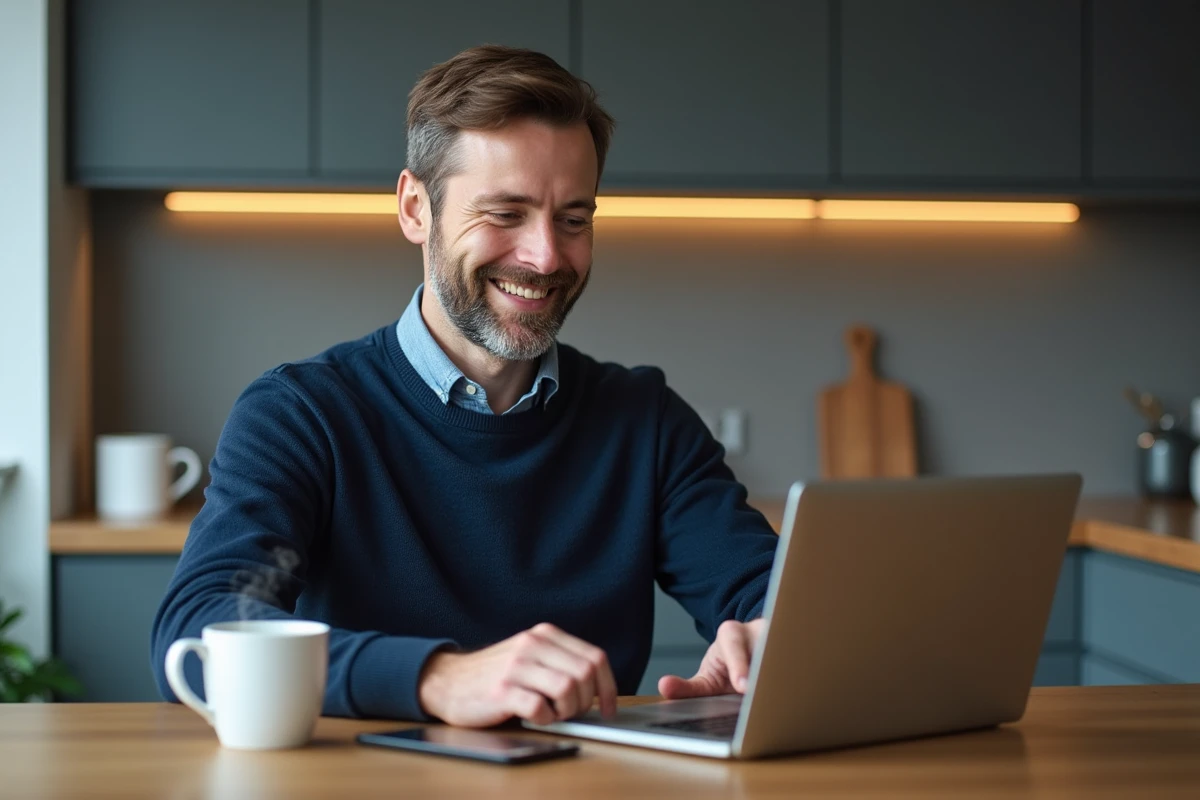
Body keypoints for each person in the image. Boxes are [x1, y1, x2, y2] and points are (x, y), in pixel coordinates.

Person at [150, 45, 778, 727]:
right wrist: (438, 679)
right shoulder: (304, 416)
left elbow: (775, 595)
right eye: (505, 214)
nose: (544, 256)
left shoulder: (643, 424)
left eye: (573, 219)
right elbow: (204, 628)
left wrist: (771, 634)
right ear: (416, 209)